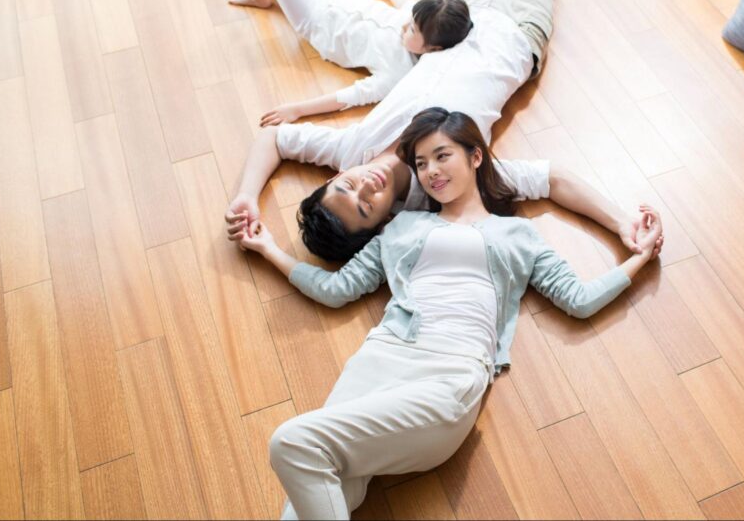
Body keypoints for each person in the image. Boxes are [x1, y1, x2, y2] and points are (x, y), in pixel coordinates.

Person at [238, 108, 663, 520]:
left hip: (450, 374)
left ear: (475, 157)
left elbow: (579, 299)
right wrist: (268, 249)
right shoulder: (401, 227)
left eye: (443, 156)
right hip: (378, 360)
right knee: (318, 482)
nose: (432, 171)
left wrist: (639, 257)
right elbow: (336, 289)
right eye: (422, 163)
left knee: (293, 444)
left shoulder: (517, 234)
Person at [224, 0, 629, 262]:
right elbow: (551, 178)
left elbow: (274, 137)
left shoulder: (348, 150)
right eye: (366, 205)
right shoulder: (444, 186)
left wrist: (247, 196)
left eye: (347, 186)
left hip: (460, 14)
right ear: (381, 222)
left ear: (338, 177)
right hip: (518, 30)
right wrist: (622, 223)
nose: (367, 185)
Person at [183, 0, 473, 117]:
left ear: (432, 49)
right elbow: (406, 6)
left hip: (315, 20)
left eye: (411, 30)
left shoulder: (398, 72)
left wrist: (298, 110)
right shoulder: (419, 23)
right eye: (409, 19)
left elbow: (350, 97)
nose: (404, 27)